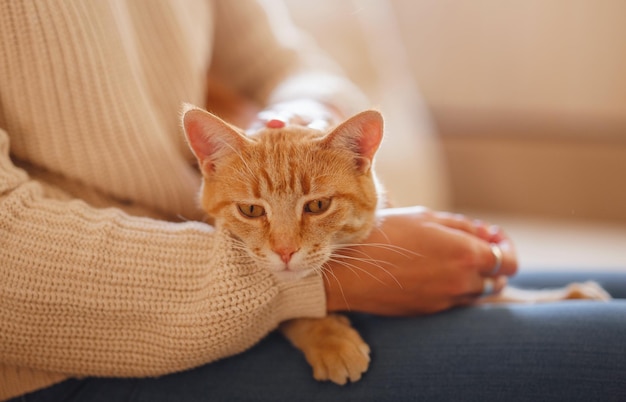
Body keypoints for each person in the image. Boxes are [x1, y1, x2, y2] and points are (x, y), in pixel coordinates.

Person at [1, 1, 624, 401]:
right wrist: (314, 291)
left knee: (605, 287)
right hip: (84, 351)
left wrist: (309, 108)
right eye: (254, 215)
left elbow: (284, 60)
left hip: (231, 270)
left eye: (310, 213)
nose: (284, 243)